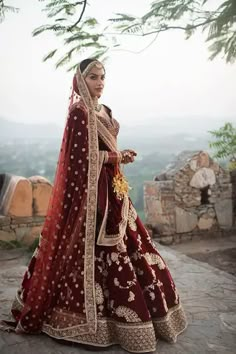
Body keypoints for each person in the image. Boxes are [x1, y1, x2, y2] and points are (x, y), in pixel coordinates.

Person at [2, 59, 187, 352]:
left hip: (114, 189)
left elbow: (105, 148)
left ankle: (141, 316)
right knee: (97, 251)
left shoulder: (105, 110)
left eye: (103, 77)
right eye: (93, 77)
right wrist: (117, 157)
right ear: (80, 81)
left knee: (132, 245)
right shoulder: (79, 113)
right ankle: (92, 320)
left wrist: (118, 158)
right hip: (92, 195)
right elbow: (78, 162)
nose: (100, 83)